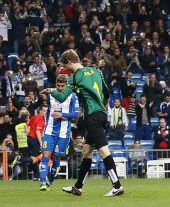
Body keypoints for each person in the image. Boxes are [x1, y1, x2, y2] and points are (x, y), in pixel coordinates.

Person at [45, 49, 124, 197]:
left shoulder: (75, 77)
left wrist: (50, 91)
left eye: (65, 65)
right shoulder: (96, 71)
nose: (65, 69)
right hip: (102, 114)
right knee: (87, 151)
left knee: (103, 150)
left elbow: (61, 97)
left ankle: (117, 186)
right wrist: (101, 106)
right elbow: (107, 93)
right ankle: (78, 187)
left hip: (92, 117)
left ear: (69, 62)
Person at [39, 74, 80, 190]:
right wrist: (41, 93)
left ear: (66, 85)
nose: (60, 88)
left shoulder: (73, 96)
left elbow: (76, 114)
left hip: (63, 134)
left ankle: (50, 181)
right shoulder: (50, 94)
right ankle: (43, 182)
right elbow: (40, 100)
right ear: (55, 84)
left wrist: (62, 115)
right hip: (49, 132)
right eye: (58, 85)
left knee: (56, 158)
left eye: (63, 86)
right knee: (45, 156)